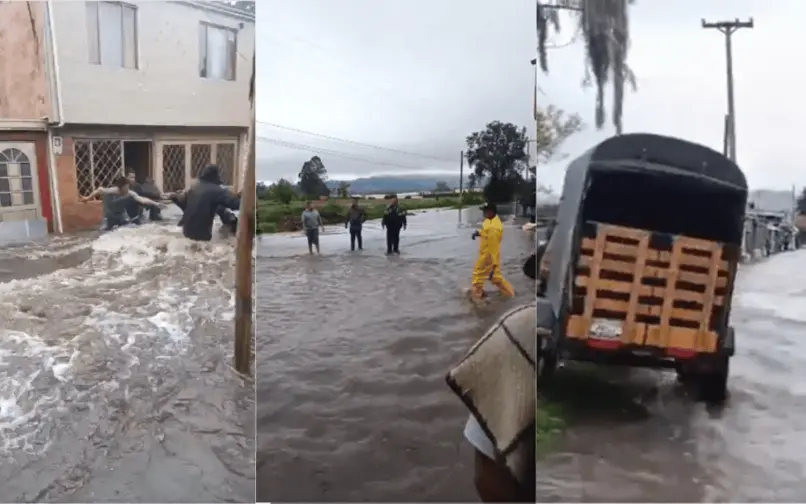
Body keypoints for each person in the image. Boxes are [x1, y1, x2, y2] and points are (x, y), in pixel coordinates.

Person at [171, 164, 240, 241]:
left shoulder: (193, 188)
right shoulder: (217, 190)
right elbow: (236, 204)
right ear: (216, 175)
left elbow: (183, 202)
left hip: (185, 231)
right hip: (202, 236)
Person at [80, 175, 161, 231]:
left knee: (129, 228)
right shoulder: (113, 190)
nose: (127, 189)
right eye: (126, 187)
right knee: (105, 231)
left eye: (128, 187)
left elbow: (142, 199)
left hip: (120, 216)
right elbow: (99, 190)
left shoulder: (130, 193)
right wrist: (87, 198)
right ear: (120, 187)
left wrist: (156, 204)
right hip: (109, 214)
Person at [470, 202, 515, 301]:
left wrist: (494, 266)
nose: (483, 213)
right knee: (495, 278)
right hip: (485, 254)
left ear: (491, 212)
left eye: (485, 211)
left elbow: (494, 248)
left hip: (488, 256)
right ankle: (509, 294)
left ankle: (477, 298)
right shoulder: (489, 221)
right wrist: (479, 233)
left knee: (478, 276)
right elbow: (486, 233)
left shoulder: (494, 228)